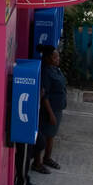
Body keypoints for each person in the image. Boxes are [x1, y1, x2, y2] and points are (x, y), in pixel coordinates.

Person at [32, 45, 66, 173]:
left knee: (52, 135)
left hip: (58, 108)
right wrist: (51, 114)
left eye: (57, 56)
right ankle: (37, 163)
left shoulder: (56, 70)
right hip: (49, 110)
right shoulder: (46, 72)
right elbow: (44, 95)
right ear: (47, 58)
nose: (57, 58)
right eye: (54, 57)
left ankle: (47, 158)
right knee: (44, 136)